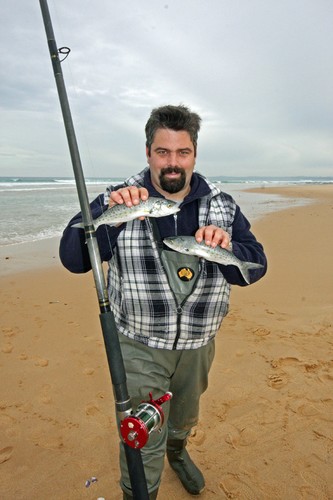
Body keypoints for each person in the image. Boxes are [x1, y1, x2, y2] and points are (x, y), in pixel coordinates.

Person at [59, 104, 267, 499]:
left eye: (182, 153)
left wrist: (227, 247)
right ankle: (140, 491)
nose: (173, 163)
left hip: (199, 345)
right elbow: (72, 258)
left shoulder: (222, 205)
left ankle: (179, 450)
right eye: (163, 152)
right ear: (148, 152)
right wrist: (109, 213)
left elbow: (255, 268)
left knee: (185, 414)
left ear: (194, 154)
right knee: (141, 432)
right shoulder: (119, 198)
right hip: (138, 343)